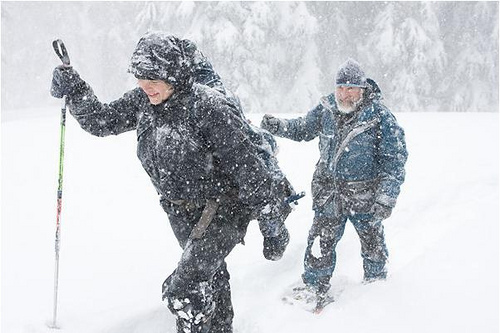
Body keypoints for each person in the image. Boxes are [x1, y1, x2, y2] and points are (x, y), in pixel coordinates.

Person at [51, 32, 296, 333]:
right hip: (179, 212)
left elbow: (249, 170)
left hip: (223, 209)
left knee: (184, 290)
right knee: (210, 276)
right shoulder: (144, 101)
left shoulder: (209, 107)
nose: (145, 85)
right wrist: (75, 89)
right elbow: (102, 120)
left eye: (153, 77)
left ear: (173, 74)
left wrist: (272, 225)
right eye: (140, 77)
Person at [261, 58, 408, 304]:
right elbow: (302, 129)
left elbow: (394, 161)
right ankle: (314, 285)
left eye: (351, 88)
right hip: (329, 193)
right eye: (340, 87)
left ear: (361, 89)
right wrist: (279, 126)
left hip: (365, 196)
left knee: (372, 243)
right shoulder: (327, 108)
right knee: (320, 242)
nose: (344, 93)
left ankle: (376, 288)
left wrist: (386, 197)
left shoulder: (380, 117)